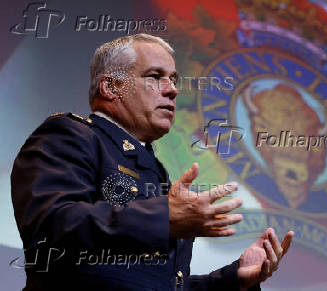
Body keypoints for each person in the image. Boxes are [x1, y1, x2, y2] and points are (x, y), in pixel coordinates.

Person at [11, 33, 294, 290]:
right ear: (110, 88)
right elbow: (51, 229)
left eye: (174, 80)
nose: (171, 90)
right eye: (155, 76)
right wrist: (163, 218)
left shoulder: (154, 169)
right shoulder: (69, 135)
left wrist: (234, 278)